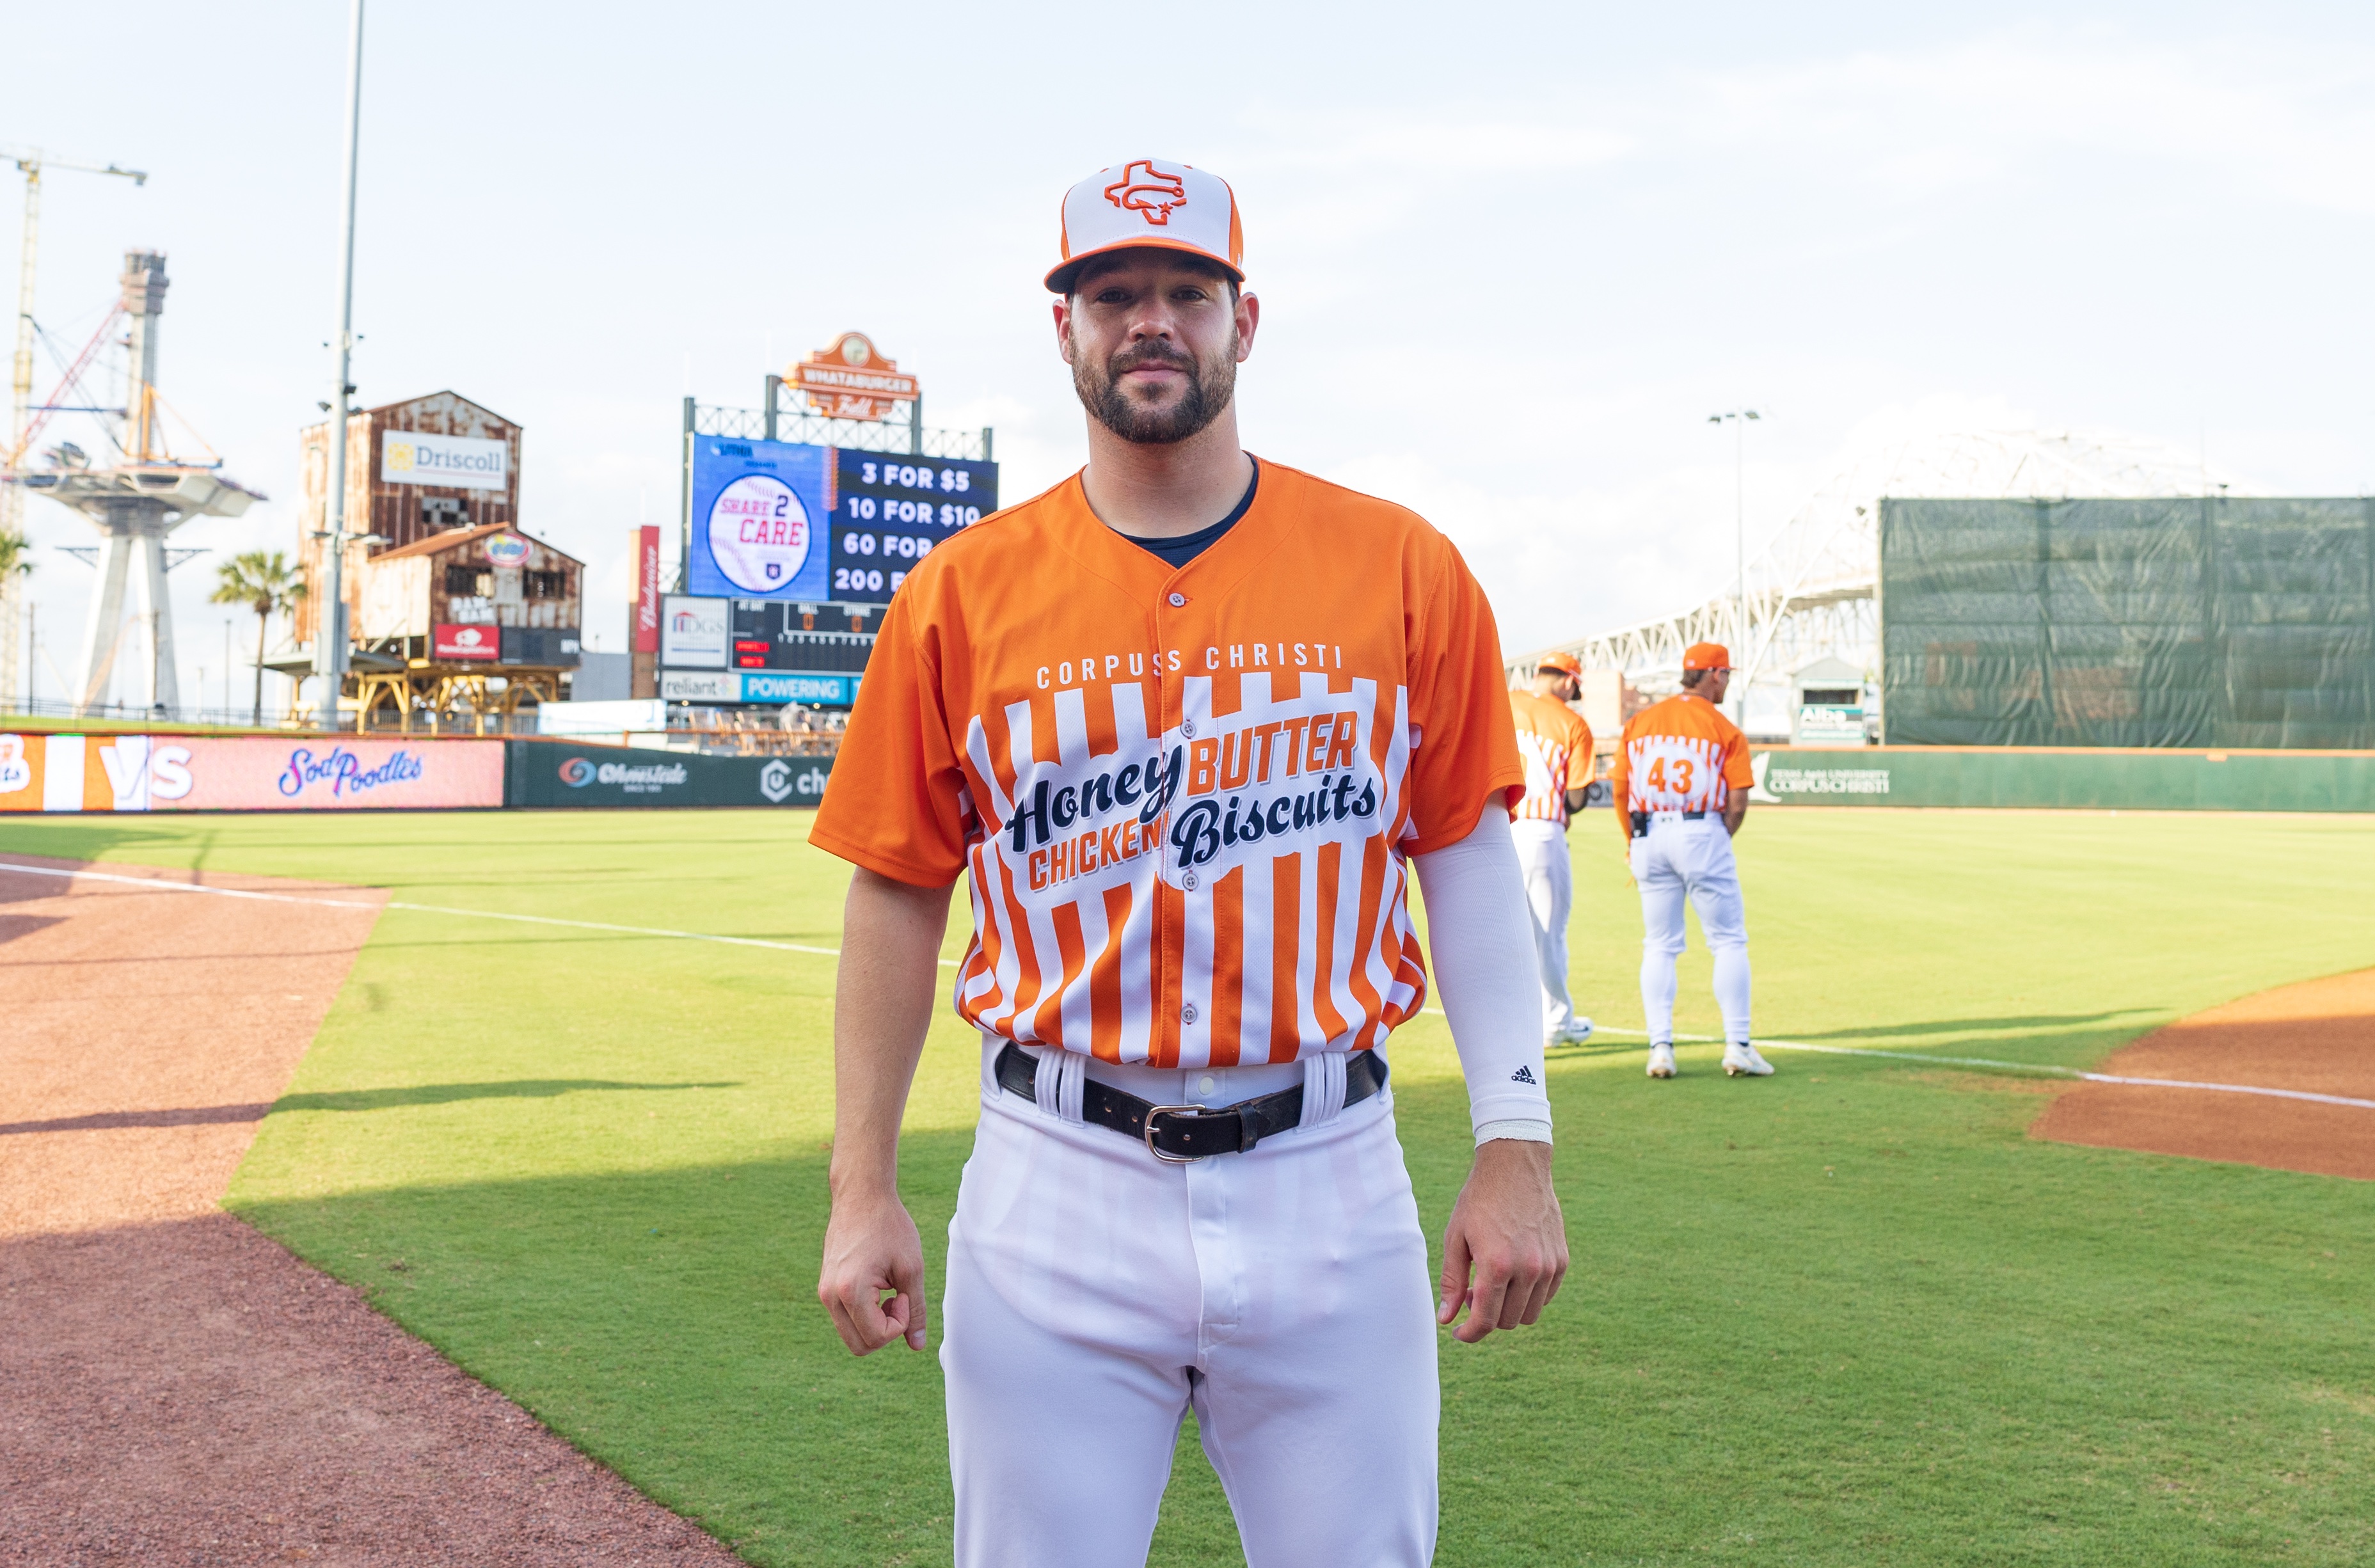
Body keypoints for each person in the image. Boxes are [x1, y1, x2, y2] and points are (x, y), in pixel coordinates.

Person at [809, 157, 1569, 1568]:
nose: (1148, 321)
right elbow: (897, 887)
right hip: (1054, 1180)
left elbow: (1460, 848)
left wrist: (1513, 1138)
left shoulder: (1401, 565)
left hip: (1328, 1171)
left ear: (1243, 320)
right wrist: (862, 1187)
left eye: (1182, 291)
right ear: (1065, 329)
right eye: (1111, 294)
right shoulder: (960, 595)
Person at [1609, 642, 1773, 1079]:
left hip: (1648, 830)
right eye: (1727, 675)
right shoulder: (1723, 727)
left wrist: (1633, 838)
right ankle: (1738, 1045)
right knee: (1728, 940)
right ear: (1714, 675)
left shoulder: (1640, 722)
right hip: (1701, 829)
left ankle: (1660, 1047)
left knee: (1659, 943)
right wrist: (1719, 837)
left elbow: (1621, 792)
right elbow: (1737, 803)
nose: (1727, 682)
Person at [1508, 652, 1596, 1049]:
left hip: (1494, 829)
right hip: (1541, 830)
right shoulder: (1572, 722)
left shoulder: (1504, 700)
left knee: (1501, 934)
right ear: (1565, 681)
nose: (1573, 695)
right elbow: (1576, 798)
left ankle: (1506, 1025)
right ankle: (1557, 1024)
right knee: (1548, 935)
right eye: (1574, 688)